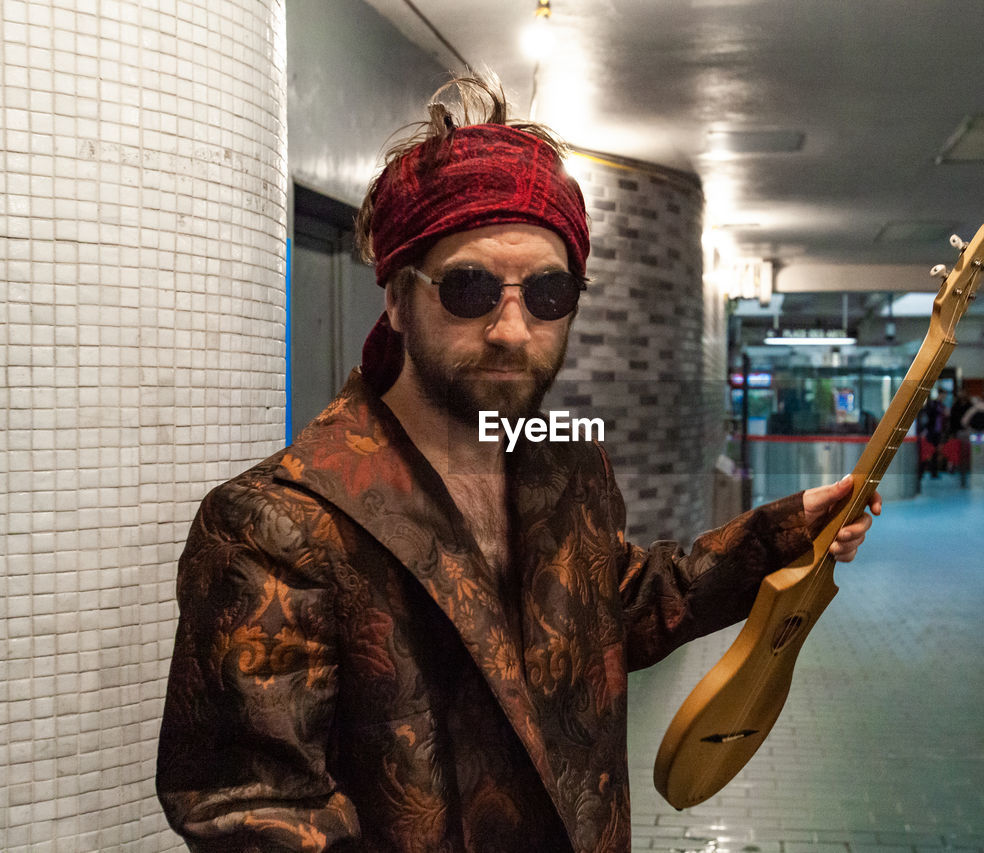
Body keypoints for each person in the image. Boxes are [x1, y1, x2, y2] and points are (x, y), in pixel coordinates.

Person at [155, 78, 881, 853]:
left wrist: (780, 535)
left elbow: (617, 606)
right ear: (398, 300)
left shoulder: (570, 469)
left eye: (547, 292)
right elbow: (253, 810)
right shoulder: (278, 522)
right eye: (469, 287)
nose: (512, 328)